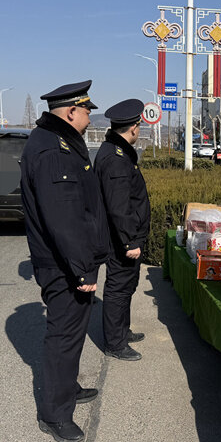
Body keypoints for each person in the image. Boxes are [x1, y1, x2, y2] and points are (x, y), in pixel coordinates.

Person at [20, 80, 109, 442]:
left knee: (71, 334)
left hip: (67, 261)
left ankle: (67, 388)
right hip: (64, 265)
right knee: (63, 336)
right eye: (87, 112)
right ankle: (55, 414)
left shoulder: (56, 142)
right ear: (71, 111)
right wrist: (83, 268)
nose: (90, 118)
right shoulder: (53, 150)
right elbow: (64, 218)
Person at [94, 99, 150, 361]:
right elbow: (119, 207)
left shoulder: (117, 152)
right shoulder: (115, 158)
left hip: (126, 237)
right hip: (121, 240)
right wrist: (129, 242)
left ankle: (122, 331)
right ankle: (115, 343)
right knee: (118, 289)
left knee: (127, 286)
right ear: (134, 128)